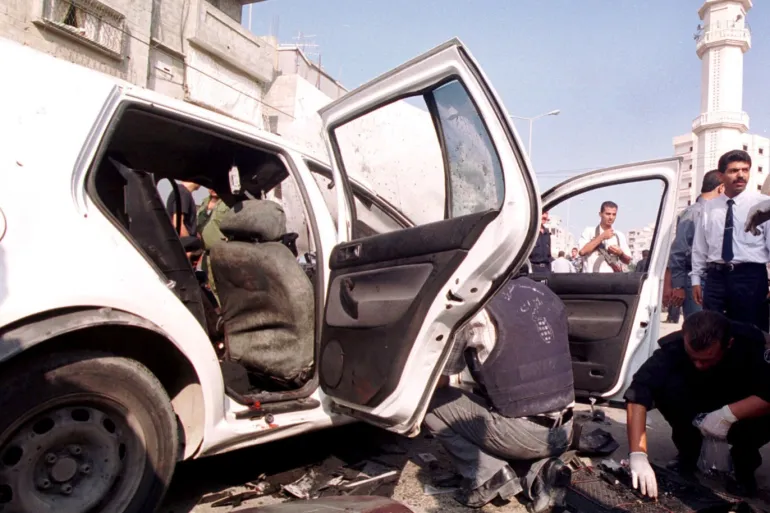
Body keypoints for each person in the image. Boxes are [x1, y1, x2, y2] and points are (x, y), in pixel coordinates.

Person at [424, 275, 574, 510]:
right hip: (566, 430)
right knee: (502, 408)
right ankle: (541, 471)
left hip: (523, 435)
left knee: (430, 401)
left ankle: (488, 476)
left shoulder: (473, 307)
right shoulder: (547, 295)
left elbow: (441, 381)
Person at [624, 310, 770, 498]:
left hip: (740, 403)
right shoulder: (674, 346)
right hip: (697, 399)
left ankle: (744, 463)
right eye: (693, 358)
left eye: (706, 359)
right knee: (667, 388)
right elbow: (638, 392)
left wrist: (727, 415)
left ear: (729, 344)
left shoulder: (752, 344)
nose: (698, 365)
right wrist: (638, 455)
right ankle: (689, 453)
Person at [691, 150, 770, 331]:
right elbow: (700, 246)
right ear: (721, 176)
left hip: (750, 278)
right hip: (716, 278)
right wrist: (696, 279)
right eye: (734, 171)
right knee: (712, 331)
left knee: (750, 333)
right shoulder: (708, 207)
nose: (741, 175)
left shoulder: (764, 205)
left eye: (745, 170)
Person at [663, 170, 724, 320]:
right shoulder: (693, 213)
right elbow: (678, 251)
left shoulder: (715, 213)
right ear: (721, 188)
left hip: (713, 278)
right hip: (694, 280)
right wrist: (678, 286)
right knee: (698, 327)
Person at [578, 201, 632, 273]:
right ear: (600, 214)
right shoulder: (589, 231)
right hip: (591, 278)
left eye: (614, 214)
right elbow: (582, 252)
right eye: (608, 214)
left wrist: (620, 253)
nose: (611, 217)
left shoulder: (619, 235)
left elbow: (628, 261)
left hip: (611, 279)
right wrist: (602, 237)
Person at [196, 188, 230, 299]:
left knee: (222, 286)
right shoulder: (204, 202)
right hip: (206, 253)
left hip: (221, 252)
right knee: (211, 286)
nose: (213, 189)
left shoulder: (228, 202)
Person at [529, 211, 553, 276]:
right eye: (543, 213)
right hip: (534, 269)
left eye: (546, 213)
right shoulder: (531, 231)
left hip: (546, 270)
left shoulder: (547, 233)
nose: (545, 216)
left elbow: (549, 255)